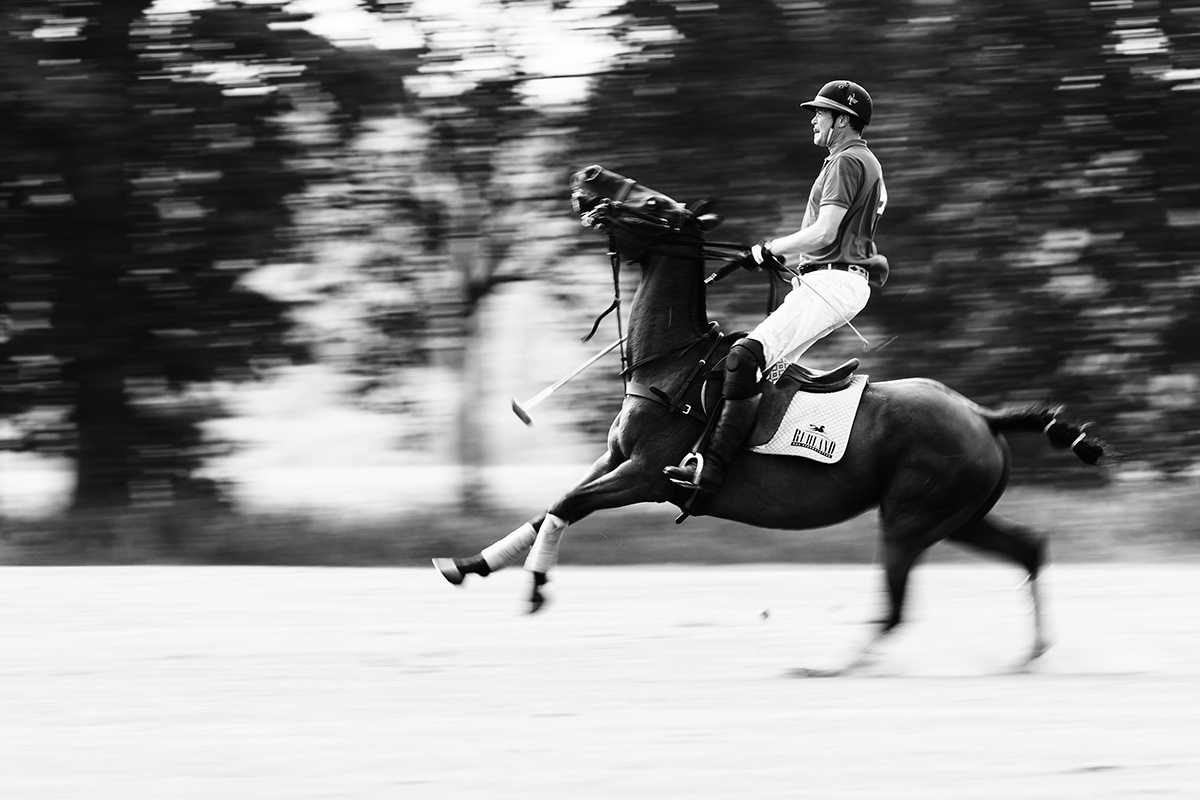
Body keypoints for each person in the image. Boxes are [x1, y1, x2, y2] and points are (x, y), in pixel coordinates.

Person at [664, 79, 889, 494]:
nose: (814, 121)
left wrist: (767, 248)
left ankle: (710, 471)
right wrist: (773, 256)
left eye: (820, 113)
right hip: (835, 281)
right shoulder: (860, 160)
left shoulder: (846, 161)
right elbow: (830, 238)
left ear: (843, 119)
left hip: (834, 281)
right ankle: (758, 469)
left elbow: (824, 233)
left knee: (744, 356)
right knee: (768, 372)